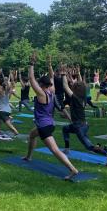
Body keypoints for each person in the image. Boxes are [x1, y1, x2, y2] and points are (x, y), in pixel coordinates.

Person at [23, 53, 78, 181]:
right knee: (31, 135)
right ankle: (29, 156)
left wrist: (31, 64)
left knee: (55, 150)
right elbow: (52, 76)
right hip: (49, 124)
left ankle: (72, 169)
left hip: (44, 126)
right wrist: (49, 63)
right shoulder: (51, 92)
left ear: (42, 84)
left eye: (39, 83)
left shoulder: (42, 94)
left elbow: (31, 79)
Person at [60, 65, 107, 165]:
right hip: (83, 125)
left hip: (79, 127)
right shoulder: (84, 97)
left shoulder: (75, 98)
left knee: (89, 147)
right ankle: (67, 149)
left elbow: (65, 86)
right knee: (65, 129)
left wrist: (63, 74)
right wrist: (78, 73)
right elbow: (82, 85)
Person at [0, 69, 19, 136]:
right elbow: (11, 84)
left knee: (8, 124)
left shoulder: (0, 93)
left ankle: (16, 132)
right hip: (8, 110)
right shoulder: (7, 92)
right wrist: (10, 75)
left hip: (3, 111)